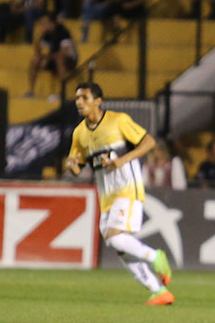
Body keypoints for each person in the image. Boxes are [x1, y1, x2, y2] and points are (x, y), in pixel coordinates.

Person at [65, 82, 176, 306]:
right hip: (106, 196)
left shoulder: (118, 121)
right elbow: (78, 168)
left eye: (84, 98)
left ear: (98, 101)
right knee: (116, 244)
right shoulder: (80, 133)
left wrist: (122, 160)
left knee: (115, 237)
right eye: (77, 98)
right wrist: (70, 164)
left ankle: (155, 257)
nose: (79, 102)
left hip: (128, 189)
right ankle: (158, 290)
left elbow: (149, 142)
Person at [26, 12, 78, 98]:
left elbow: (63, 52)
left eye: (45, 23)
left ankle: (63, 91)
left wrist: (47, 58)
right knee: (35, 59)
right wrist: (39, 37)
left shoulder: (63, 32)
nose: (43, 25)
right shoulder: (47, 34)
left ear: (52, 23)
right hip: (54, 58)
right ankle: (31, 91)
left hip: (69, 60)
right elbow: (38, 52)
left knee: (59, 58)